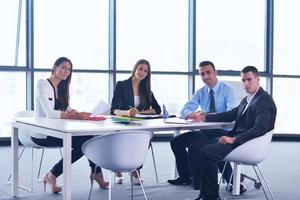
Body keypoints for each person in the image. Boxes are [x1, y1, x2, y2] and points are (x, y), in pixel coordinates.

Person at [188, 66, 277, 200]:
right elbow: (230, 115)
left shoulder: (263, 100)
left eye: (249, 80)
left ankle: (211, 197)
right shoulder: (249, 99)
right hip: (239, 140)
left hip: (246, 144)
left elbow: (260, 128)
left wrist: (234, 139)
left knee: (207, 153)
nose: (246, 84)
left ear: (258, 79)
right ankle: (205, 195)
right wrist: (204, 117)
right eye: (243, 80)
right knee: (197, 147)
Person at [34, 57, 109, 193]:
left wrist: (74, 111)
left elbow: (66, 107)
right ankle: (53, 174)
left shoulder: (62, 87)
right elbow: (49, 113)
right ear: (54, 67)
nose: (66, 71)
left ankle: (94, 172)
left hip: (58, 131)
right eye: (63, 67)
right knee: (84, 144)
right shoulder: (42, 84)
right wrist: (74, 115)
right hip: (43, 133)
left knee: (89, 139)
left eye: (69, 69)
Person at [167, 61, 243, 192]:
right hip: (206, 131)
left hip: (223, 131)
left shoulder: (228, 90)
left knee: (199, 148)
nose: (206, 76)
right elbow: (184, 110)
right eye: (202, 74)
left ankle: (230, 180)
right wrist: (192, 114)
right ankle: (186, 176)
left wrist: (205, 116)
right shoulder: (201, 92)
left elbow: (231, 113)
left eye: (208, 72)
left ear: (215, 73)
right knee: (176, 142)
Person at [110, 58, 161, 185]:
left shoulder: (147, 90)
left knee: (145, 140)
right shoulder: (121, 85)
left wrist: (141, 113)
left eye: (145, 71)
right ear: (135, 69)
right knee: (122, 141)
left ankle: (135, 171)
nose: (142, 72)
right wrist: (127, 113)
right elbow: (113, 109)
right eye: (140, 69)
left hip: (139, 124)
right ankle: (118, 169)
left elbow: (157, 109)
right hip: (122, 123)